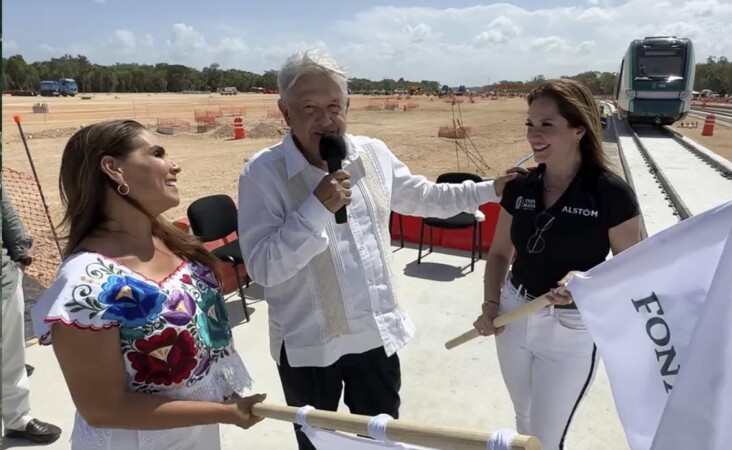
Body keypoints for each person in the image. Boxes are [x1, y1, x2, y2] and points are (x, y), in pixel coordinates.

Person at [237, 49, 519, 450]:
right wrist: (316, 209)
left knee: (383, 441)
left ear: (348, 105)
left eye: (334, 106)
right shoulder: (262, 175)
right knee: (318, 443)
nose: (325, 119)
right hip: (309, 345)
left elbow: (424, 196)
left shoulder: (371, 154)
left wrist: (491, 188)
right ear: (285, 113)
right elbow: (263, 268)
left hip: (374, 336)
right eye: (309, 108)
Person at [30, 120, 267, 449]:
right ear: (114, 169)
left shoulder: (174, 244)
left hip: (198, 435)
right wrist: (224, 412)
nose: (175, 165)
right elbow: (103, 409)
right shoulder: (85, 283)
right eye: (157, 153)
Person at [472, 79, 642, 450]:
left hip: (572, 328)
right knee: (523, 420)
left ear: (579, 128)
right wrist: (490, 306)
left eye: (547, 124)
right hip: (513, 315)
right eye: (530, 124)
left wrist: (587, 280)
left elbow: (635, 272)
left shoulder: (611, 194)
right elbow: (499, 253)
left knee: (546, 438)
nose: (534, 134)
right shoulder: (520, 188)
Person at [1, 185, 62, 444]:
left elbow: (3, 203)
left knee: (11, 355)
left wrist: (19, 249)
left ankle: (18, 420)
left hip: (2, 277)